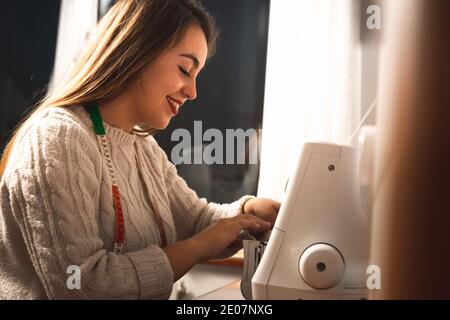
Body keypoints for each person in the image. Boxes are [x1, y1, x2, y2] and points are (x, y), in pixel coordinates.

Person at [0, 0, 280, 300]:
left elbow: (197, 221)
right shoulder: (57, 136)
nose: (193, 92)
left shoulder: (141, 146)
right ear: (137, 52)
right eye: (185, 69)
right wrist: (199, 247)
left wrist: (249, 211)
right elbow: (78, 284)